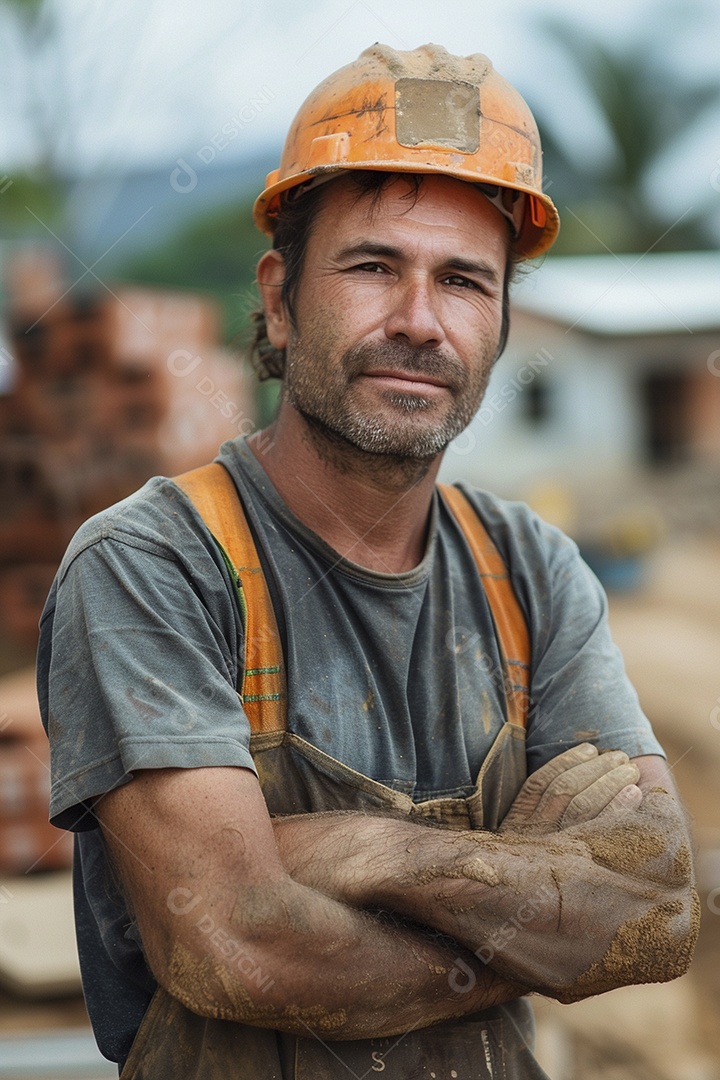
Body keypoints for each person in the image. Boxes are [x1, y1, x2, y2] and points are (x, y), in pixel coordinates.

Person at [38, 43, 698, 1079]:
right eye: (373, 266)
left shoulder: (534, 571)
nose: (419, 322)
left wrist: (341, 852)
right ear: (280, 294)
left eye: (465, 281)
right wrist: (535, 924)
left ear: (502, 319)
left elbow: (655, 908)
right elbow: (234, 944)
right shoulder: (153, 565)